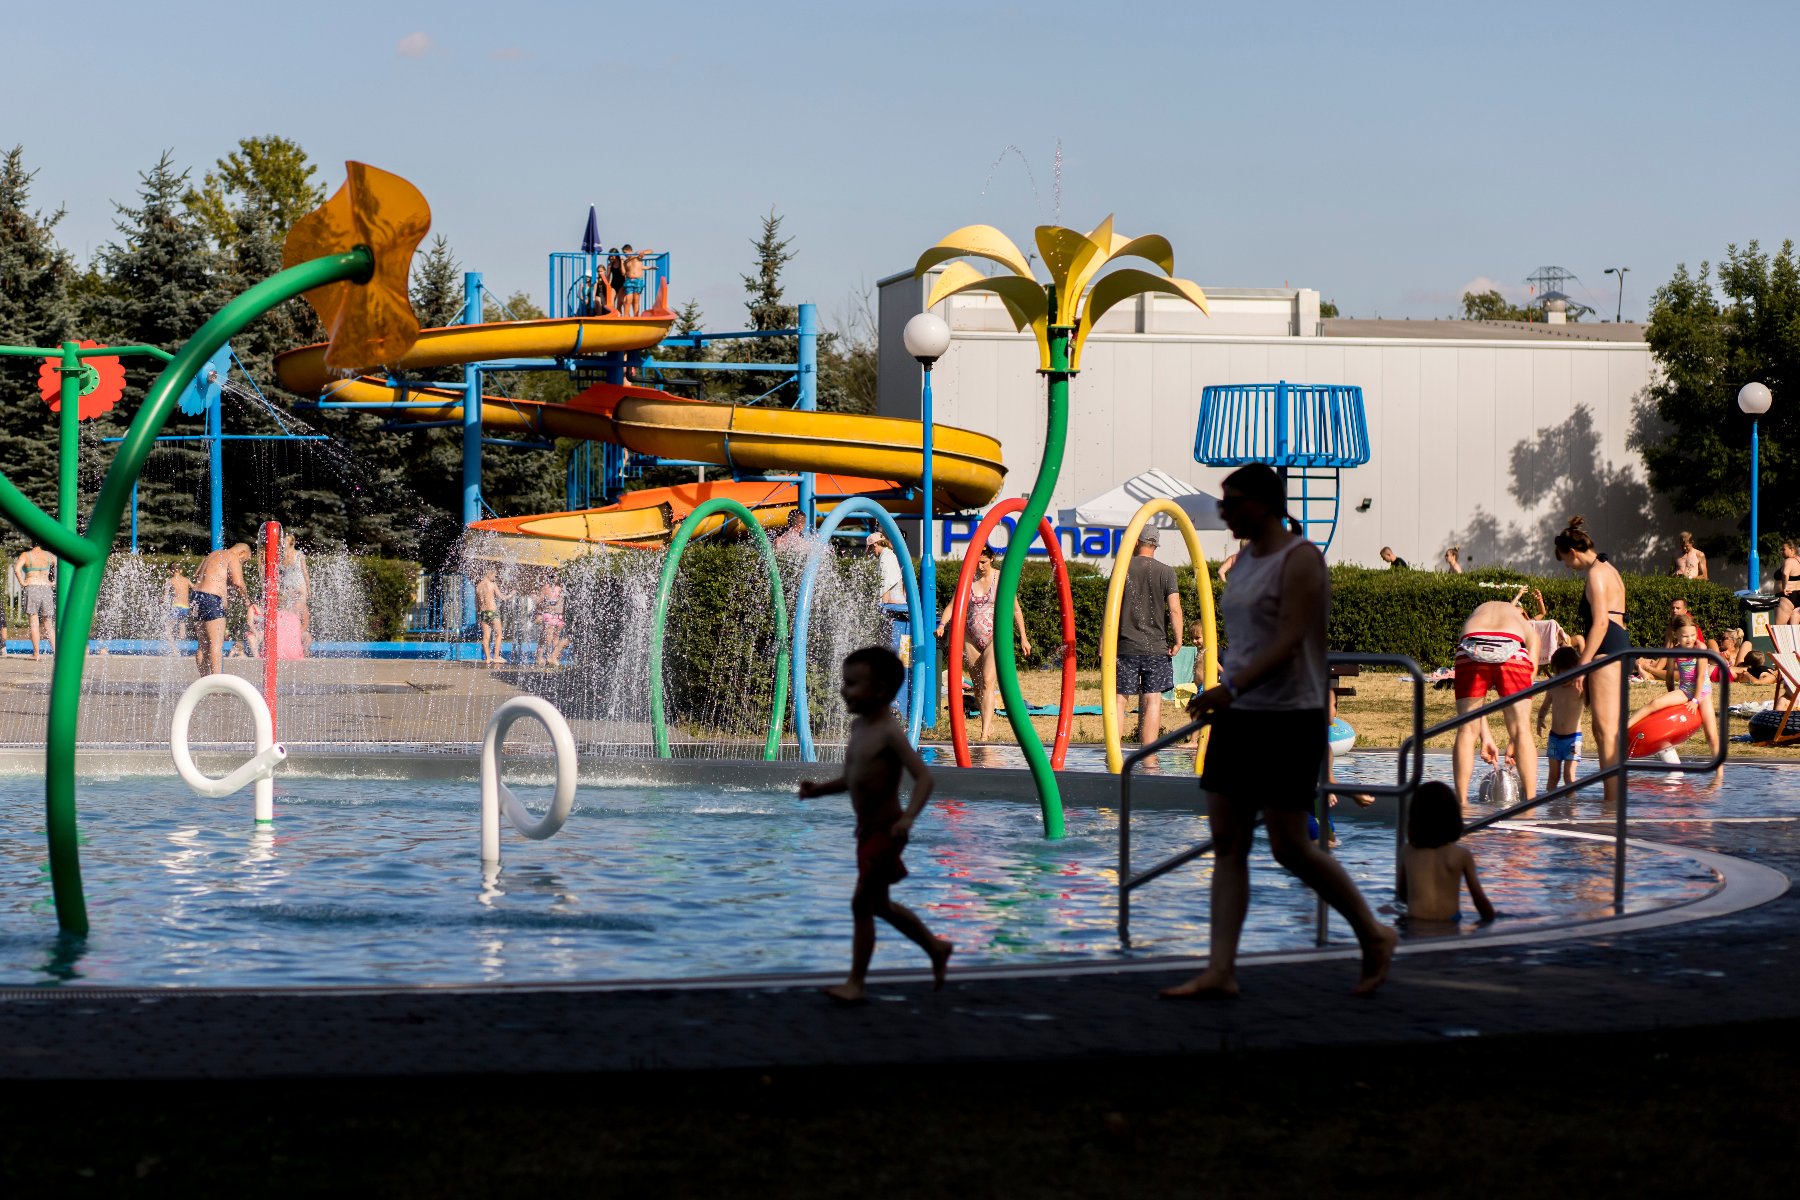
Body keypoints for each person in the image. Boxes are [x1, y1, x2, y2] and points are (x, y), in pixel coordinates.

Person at [1163, 463, 1397, 999]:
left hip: (1289, 717)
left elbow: (1292, 637)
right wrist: (1229, 693)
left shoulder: (1301, 559)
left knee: (1291, 847)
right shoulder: (1242, 561)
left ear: (1264, 503)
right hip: (1239, 715)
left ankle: (1373, 932)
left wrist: (1231, 686)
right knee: (1227, 843)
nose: (1223, 513)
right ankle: (1221, 969)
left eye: (1231, 502)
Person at [798, 646, 953, 1004]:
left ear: (880, 690)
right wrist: (818, 791)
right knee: (878, 904)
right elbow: (853, 778)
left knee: (861, 904)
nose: (843, 690)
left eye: (851, 684)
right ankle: (935, 947)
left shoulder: (888, 732)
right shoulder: (859, 727)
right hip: (867, 829)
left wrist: (908, 820)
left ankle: (856, 983)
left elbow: (924, 779)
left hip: (887, 828)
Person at [1556, 515, 1629, 809]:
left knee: (1606, 731)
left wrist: (1582, 667)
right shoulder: (1608, 568)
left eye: (1564, 560)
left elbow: (1599, 624)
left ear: (1572, 552)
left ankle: (1612, 802)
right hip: (1616, 645)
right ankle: (1612, 798)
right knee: (1606, 731)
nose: (1566, 567)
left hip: (1607, 648)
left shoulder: (1596, 574)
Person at [1451, 597, 1540, 806]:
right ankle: (1531, 803)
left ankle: (1461, 802)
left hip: (1471, 644)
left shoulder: (1477, 613)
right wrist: (1515, 739)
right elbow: (1531, 672)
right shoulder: (1522, 622)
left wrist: (1485, 736)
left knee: (1466, 729)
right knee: (1522, 730)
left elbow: (1476, 706)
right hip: (1511, 645)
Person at [935, 545, 1029, 741]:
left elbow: (1016, 609)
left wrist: (1023, 637)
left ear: (992, 559)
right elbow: (952, 606)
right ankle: (988, 721)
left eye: (983, 562)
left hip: (994, 637)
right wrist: (943, 624)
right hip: (970, 638)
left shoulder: (1001, 578)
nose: (979, 566)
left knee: (987, 681)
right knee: (977, 686)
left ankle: (984, 733)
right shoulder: (968, 579)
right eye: (976, 562)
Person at [1115, 526, 1183, 765]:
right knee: (1153, 699)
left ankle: (1113, 754)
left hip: (1125, 645)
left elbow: (1109, 609)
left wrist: (1104, 641)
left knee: (1120, 699)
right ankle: (1149, 757)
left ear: (1136, 542)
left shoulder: (1122, 568)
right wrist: (1178, 640)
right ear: (1155, 545)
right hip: (1156, 646)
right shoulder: (1167, 572)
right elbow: (1175, 609)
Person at [1398, 782, 1497, 925]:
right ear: (1453, 818)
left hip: (1414, 924)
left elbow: (1402, 895)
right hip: (1449, 924)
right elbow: (1479, 900)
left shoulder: (1406, 852)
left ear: (1414, 819)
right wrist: (1490, 920)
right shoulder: (1461, 854)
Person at [1628, 613, 1720, 759]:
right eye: (1685, 636)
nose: (1689, 639)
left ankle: (1718, 771)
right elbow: (1669, 676)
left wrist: (1695, 701)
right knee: (1655, 703)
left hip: (1702, 693)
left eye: (1692, 635)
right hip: (1684, 691)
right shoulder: (1674, 651)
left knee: (1711, 735)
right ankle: (1626, 726)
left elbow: (1701, 676)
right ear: (1676, 634)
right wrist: (1670, 697)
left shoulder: (1700, 648)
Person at [192, 543, 252, 677]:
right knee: (216, 645)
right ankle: (216, 684)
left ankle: (204, 681)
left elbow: (196, 576)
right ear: (242, 553)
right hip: (212, 599)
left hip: (196, 597)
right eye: (245, 561)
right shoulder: (232, 556)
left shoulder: (213, 555)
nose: (244, 565)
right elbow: (239, 583)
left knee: (203, 645)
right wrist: (246, 601)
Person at [1535, 646, 1585, 791]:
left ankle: (1572, 808)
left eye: (1567, 674)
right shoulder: (1553, 687)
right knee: (1553, 776)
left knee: (1569, 775)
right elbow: (1545, 706)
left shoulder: (1580, 688)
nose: (1563, 678)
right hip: (1554, 738)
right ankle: (1550, 808)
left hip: (1573, 739)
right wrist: (1540, 719)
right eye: (1559, 674)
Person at [12, 540, 56, 659]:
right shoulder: (49, 555)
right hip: (46, 589)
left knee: (34, 623)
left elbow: (16, 569)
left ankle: (36, 654)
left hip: (32, 587)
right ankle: (56, 652)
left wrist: (22, 582)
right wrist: (53, 582)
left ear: (31, 542)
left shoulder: (26, 555)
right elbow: (61, 567)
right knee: (48, 623)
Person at [277, 530, 311, 652]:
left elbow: (305, 572)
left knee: (299, 612)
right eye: (282, 541)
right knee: (286, 614)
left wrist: (308, 588)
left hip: (299, 586)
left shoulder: (299, 555)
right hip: (287, 587)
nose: (282, 543)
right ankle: (288, 643)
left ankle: (301, 645)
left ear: (291, 543)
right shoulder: (281, 557)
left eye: (285, 541)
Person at [475, 566, 509, 665]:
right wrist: (511, 594)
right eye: (494, 575)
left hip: (483, 613)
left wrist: (479, 616)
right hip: (492, 612)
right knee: (499, 634)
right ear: (489, 574)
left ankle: (488, 658)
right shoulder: (492, 584)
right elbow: (502, 597)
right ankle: (496, 657)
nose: (495, 577)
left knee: (486, 637)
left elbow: (477, 603)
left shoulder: (478, 586)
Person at [534, 572, 567, 667]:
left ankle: (552, 657)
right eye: (553, 577)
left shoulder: (560, 588)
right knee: (547, 638)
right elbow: (539, 601)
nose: (555, 579)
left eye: (555, 577)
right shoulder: (547, 588)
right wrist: (539, 613)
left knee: (553, 638)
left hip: (558, 616)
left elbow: (539, 601)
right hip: (550, 615)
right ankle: (547, 657)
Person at [867, 531, 906, 607]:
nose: (871, 551)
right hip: (896, 605)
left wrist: (882, 609)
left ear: (875, 544)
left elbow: (885, 586)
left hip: (894, 607)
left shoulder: (886, 558)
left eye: (871, 548)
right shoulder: (888, 555)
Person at [166, 567, 193, 654]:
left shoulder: (170, 580)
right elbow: (196, 588)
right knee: (182, 633)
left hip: (176, 606)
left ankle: (175, 650)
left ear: (170, 571)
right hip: (185, 607)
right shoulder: (187, 580)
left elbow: (165, 596)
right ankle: (184, 650)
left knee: (167, 630)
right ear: (180, 570)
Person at [1775, 539, 1800, 626]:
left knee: (1780, 628)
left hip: (1787, 597)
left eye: (1784, 549)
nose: (1781, 551)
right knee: (1793, 629)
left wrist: (1784, 587)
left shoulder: (1789, 561)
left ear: (1792, 549)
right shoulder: (1799, 561)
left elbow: (1785, 573)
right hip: (1797, 596)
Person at [619, 244, 647, 317]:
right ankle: (625, 316)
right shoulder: (626, 261)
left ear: (630, 251)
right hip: (629, 281)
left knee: (636, 300)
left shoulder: (637, 257)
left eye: (626, 253)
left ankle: (636, 316)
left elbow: (651, 251)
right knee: (628, 299)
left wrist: (642, 252)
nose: (625, 255)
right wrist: (622, 262)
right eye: (624, 253)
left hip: (638, 281)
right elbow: (623, 273)